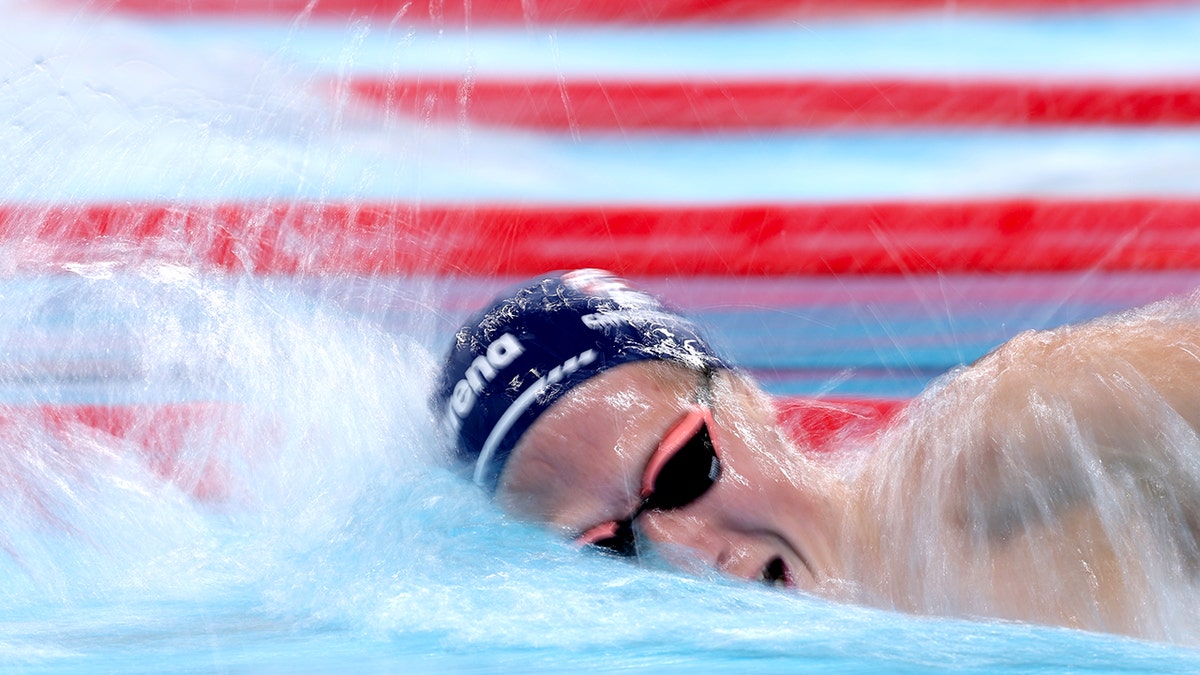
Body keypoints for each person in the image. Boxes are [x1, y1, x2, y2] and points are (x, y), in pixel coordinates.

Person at [434, 268, 1200, 643]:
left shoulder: (1009, 447)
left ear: (750, 401)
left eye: (681, 470)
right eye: (610, 547)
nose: (681, 555)